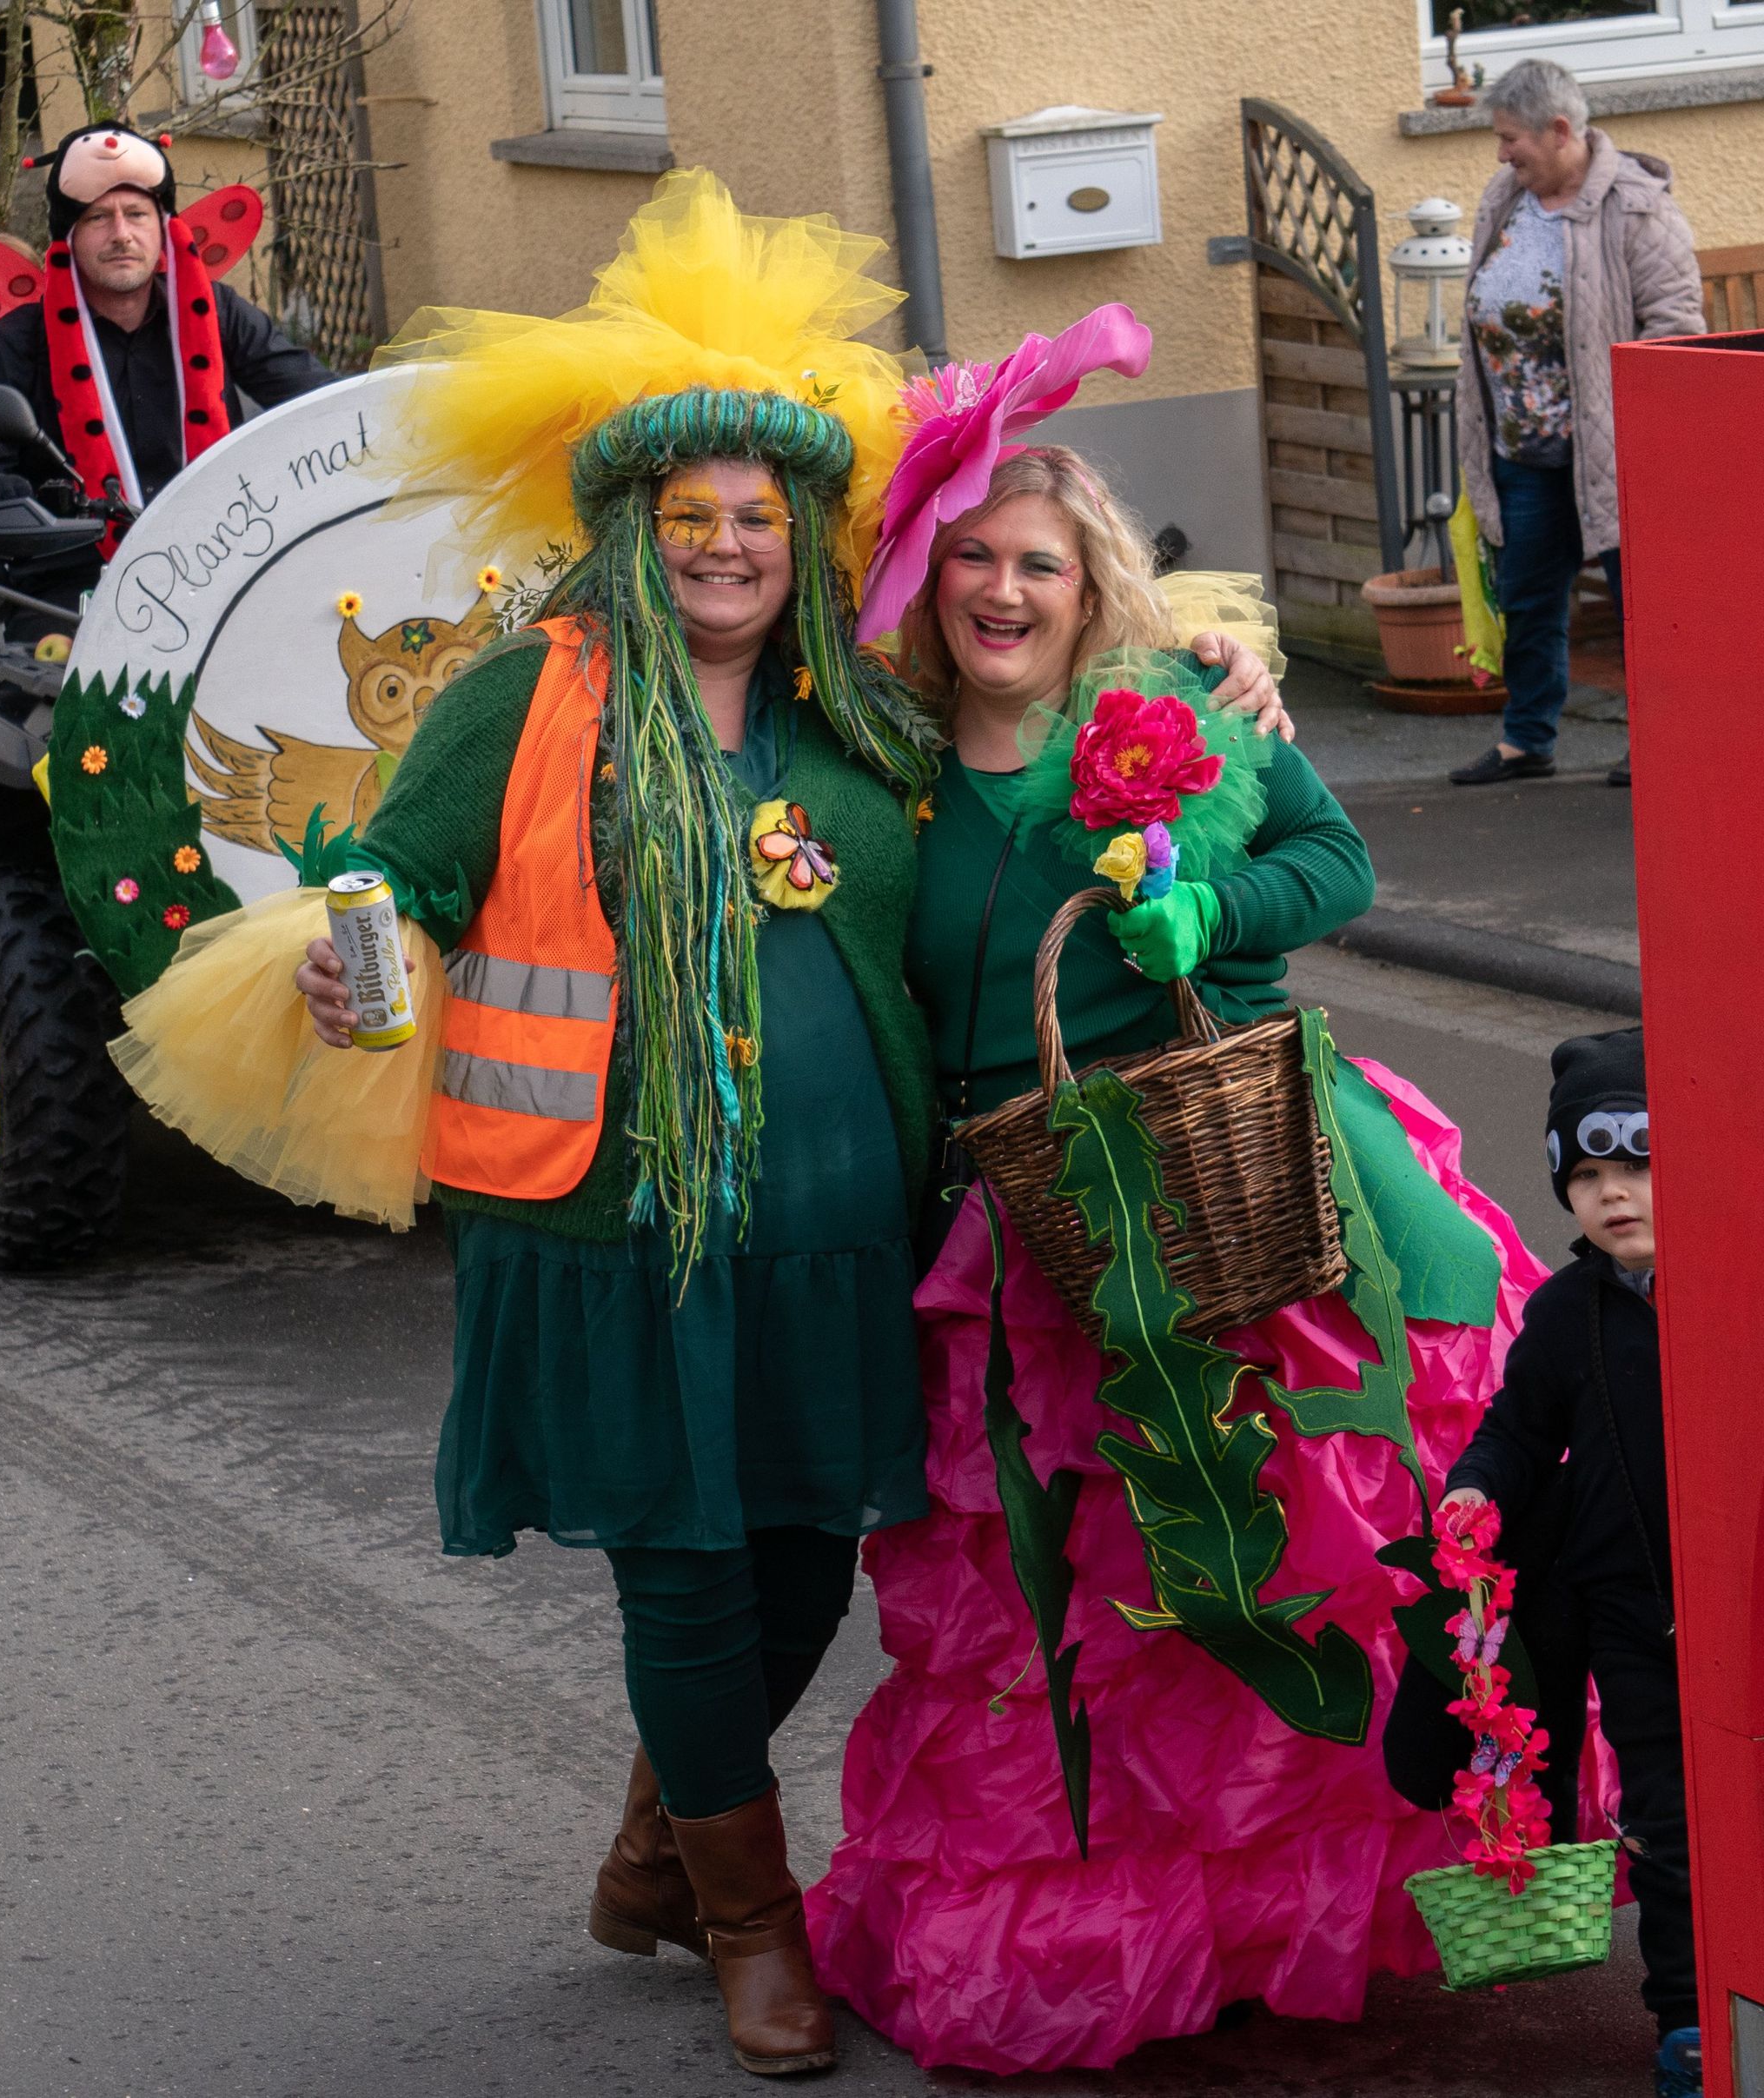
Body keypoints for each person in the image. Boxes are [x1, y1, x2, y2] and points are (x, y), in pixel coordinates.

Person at [108, 177, 1281, 2079]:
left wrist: (1224, 674)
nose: (728, 545)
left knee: (810, 1551)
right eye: (691, 518)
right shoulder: (520, 699)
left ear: (803, 541)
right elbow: (396, 877)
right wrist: (360, 957)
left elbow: (1051, 679)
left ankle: (661, 1841)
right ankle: (754, 1917)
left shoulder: (864, 713)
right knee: (688, 1556)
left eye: (760, 518)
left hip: (845, 1229)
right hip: (607, 1227)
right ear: (633, 538)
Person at [806, 310, 1553, 2075]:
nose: (1002, 592)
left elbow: (1333, 860)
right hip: (1032, 1224)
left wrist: (1209, 915)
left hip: (1247, 1188)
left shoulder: (1174, 710)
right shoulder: (882, 759)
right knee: (1079, 1604)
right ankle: (1135, 1931)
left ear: (1091, 584)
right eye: (972, 559)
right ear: (930, 582)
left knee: (1343, 1541)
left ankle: (1416, 1893)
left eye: (1039, 566)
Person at [1435, 1031, 1696, 2098]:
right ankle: (1688, 2021)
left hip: (1738, 1607)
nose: (1613, 1194)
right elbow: (1515, 1424)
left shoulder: (1732, 1285)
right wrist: (1476, 1482)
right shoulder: (1563, 1313)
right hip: (1630, 1611)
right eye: (1586, 1175)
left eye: (1636, 1164)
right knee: (1668, 1823)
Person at [1449, 57, 1701, 792]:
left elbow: (1678, 330)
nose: (1501, 154)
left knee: (1641, 604)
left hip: (1615, 450)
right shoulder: (1507, 197)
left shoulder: (1636, 207)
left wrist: (1650, 436)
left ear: (1560, 131)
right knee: (1528, 595)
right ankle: (1528, 740)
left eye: (1510, 138)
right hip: (1523, 448)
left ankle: (1656, 740)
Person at [0, 120, 331, 560]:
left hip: (217, 564)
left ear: (164, 228)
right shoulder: (13, 341)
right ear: (68, 239)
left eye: (136, 214)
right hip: (67, 581)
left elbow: (317, 398)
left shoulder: (218, 311)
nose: (121, 234)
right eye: (98, 217)